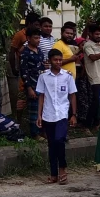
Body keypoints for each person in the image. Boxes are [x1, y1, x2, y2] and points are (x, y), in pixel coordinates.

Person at [34, 48, 78, 186]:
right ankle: (53, 174)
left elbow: (72, 95)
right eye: (56, 60)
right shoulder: (43, 77)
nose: (58, 62)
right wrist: (39, 115)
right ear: (50, 61)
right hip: (48, 114)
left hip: (62, 114)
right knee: (51, 144)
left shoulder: (67, 76)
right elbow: (41, 96)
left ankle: (62, 168)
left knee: (59, 140)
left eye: (60, 60)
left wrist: (74, 114)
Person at [15, 28, 46, 138]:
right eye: (36, 38)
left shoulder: (40, 51)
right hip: (32, 85)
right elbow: (23, 71)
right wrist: (29, 88)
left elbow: (42, 67)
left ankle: (42, 131)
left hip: (42, 85)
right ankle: (34, 133)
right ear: (28, 38)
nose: (38, 40)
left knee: (42, 109)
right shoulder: (25, 53)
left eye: (39, 38)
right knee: (34, 110)